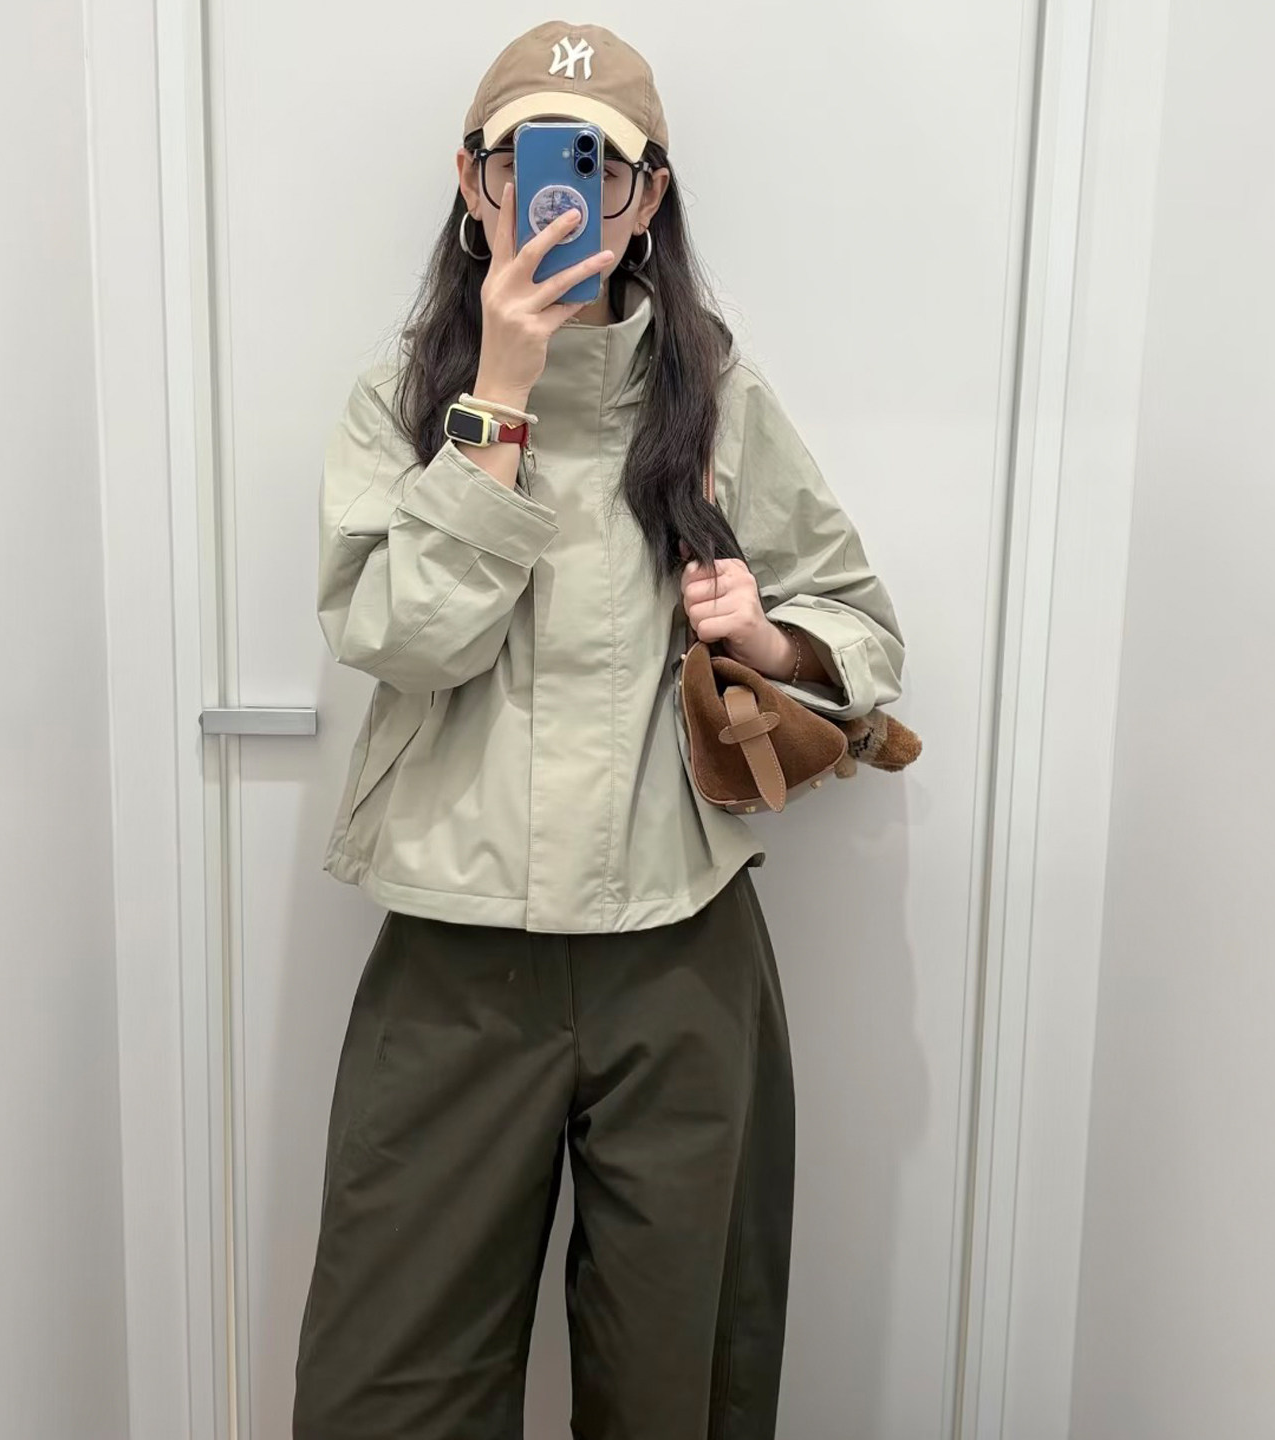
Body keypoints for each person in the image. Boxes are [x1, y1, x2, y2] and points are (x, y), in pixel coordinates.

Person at [293, 19, 905, 1440]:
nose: (558, 196)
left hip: (681, 953)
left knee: (678, 1382)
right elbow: (402, 637)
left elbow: (863, 631)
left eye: (597, 169)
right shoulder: (401, 404)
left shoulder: (716, 398)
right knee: (390, 1389)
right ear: (473, 180)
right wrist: (498, 401)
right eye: (524, 161)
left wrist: (767, 638)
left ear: (645, 198)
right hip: (452, 956)